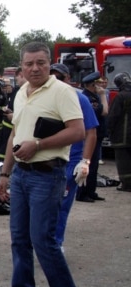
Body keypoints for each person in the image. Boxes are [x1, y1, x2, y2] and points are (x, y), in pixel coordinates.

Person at [0, 42, 83, 287]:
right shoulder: (21, 93)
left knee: (42, 241)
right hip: (21, 175)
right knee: (19, 240)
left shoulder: (62, 92)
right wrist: (4, 174)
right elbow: (14, 135)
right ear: (21, 66)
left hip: (47, 175)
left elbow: (78, 131)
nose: (35, 68)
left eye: (41, 63)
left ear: (50, 63)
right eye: (29, 63)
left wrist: (39, 144)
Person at [49, 63, 98, 252]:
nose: (56, 81)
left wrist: (85, 162)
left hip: (71, 161)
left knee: (62, 203)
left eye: (60, 78)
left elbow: (91, 132)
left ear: (68, 79)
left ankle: (56, 242)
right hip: (49, 159)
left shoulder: (80, 98)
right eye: (52, 77)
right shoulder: (44, 97)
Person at [76, 71, 109, 202]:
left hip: (97, 135)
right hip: (90, 136)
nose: (102, 86)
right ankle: (82, 193)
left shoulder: (93, 97)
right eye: (99, 84)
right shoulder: (90, 99)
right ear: (93, 85)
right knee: (88, 165)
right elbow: (105, 111)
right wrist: (103, 96)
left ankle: (91, 191)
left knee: (94, 166)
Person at [107, 72, 131, 192]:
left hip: (122, 136)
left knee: (123, 162)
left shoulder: (120, 96)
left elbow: (113, 116)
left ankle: (126, 185)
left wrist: (108, 130)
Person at [0, 78, 16, 161]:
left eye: (6, 86)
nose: (4, 89)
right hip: (5, 124)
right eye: (3, 87)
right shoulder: (2, 95)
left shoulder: (16, 94)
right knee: (3, 145)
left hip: (12, 125)